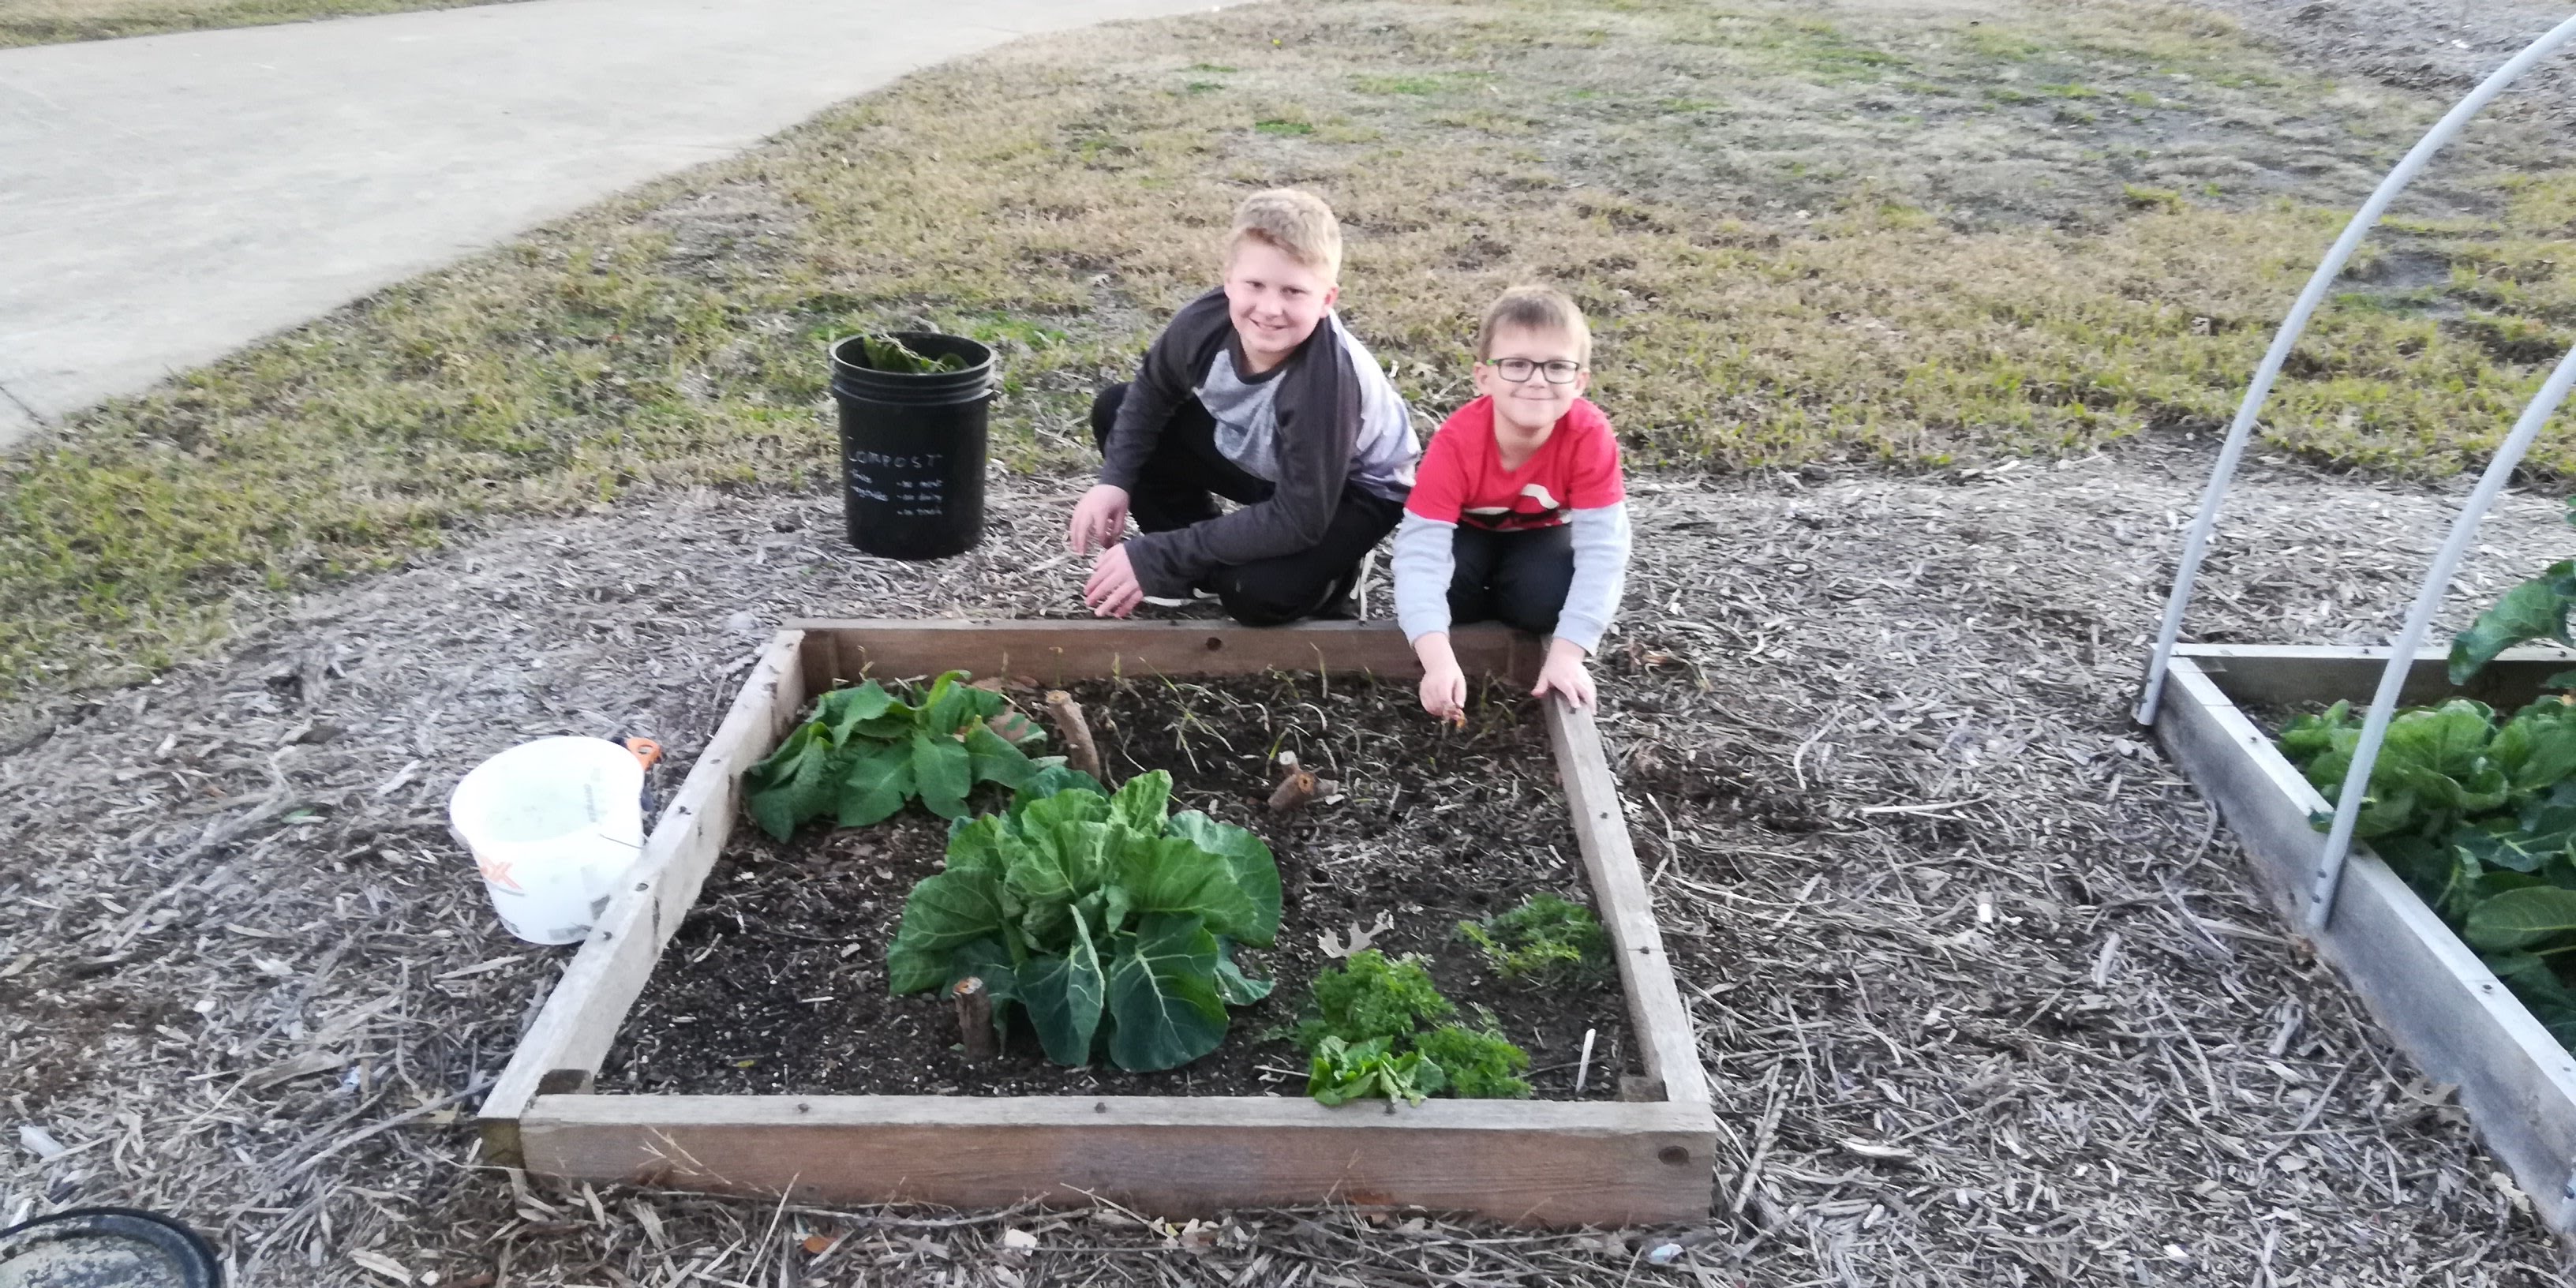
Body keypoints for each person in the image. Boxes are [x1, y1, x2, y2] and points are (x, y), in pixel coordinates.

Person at [1067, 189, 1417, 624]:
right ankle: (1197, 570)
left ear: (1327, 300)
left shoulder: (1326, 382)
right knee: (1114, 408)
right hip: (1272, 461)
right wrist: (1114, 481)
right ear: (1229, 280)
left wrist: (1160, 553)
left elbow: (1299, 519)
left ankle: (1332, 578)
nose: (1270, 309)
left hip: (1349, 491)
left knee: (1254, 595)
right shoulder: (1202, 323)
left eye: (1294, 291)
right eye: (1255, 285)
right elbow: (1152, 392)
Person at [1393, 286, 1631, 718]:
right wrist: (1437, 657)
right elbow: (1420, 553)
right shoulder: (1456, 443)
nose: (1537, 380)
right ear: (1484, 377)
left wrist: (1568, 654)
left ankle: (1511, 592)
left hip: (1540, 533)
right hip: (1467, 533)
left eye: (1557, 366)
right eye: (1517, 365)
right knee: (1447, 600)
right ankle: (1483, 595)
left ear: (1580, 381)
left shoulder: (1590, 435)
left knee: (1543, 605)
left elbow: (1605, 550)